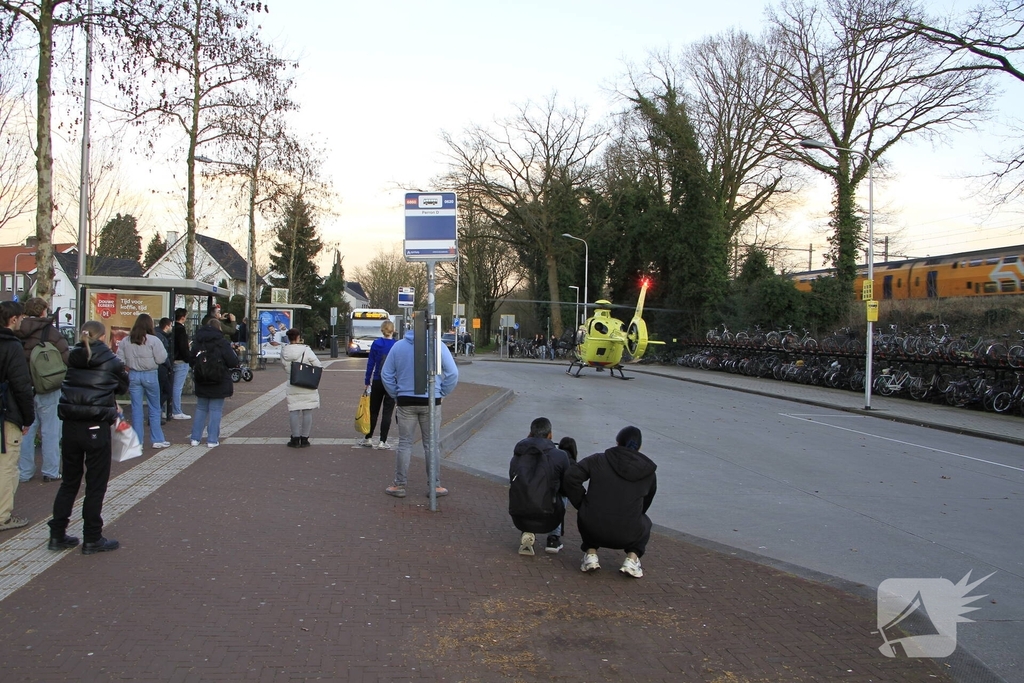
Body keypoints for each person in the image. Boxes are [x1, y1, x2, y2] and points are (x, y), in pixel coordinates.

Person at [47, 320, 128, 553]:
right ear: (102, 337)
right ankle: (92, 536)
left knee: (69, 481)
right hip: (95, 424)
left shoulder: (73, 357)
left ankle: (57, 533)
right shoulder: (111, 361)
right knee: (95, 483)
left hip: (71, 423)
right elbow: (122, 386)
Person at [564, 425, 657, 578]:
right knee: (645, 522)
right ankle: (632, 559)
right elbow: (647, 502)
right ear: (639, 446)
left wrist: (582, 503)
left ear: (617, 442)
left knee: (590, 513)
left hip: (593, 527)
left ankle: (591, 554)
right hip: (628, 532)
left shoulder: (598, 459)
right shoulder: (648, 472)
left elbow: (571, 477)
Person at [381, 326, 459, 498]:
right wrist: (442, 392)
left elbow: (386, 374)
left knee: (405, 443)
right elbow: (453, 373)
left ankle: (399, 485)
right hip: (431, 400)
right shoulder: (438, 346)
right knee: (431, 445)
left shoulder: (398, 346)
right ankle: (435, 486)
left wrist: (396, 394)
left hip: (405, 401)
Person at [16, 297, 70, 483]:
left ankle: (24, 472)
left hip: (23, 388)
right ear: (43, 312)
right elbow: (66, 357)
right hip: (48, 387)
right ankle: (51, 471)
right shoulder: (51, 332)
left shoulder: (18, 331)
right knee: (51, 431)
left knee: (26, 431)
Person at [508, 417, 571, 556]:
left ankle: (527, 532)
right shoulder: (560, 456)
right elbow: (567, 486)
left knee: (525, 486)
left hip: (519, 516)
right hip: (550, 518)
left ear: (530, 434)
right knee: (562, 492)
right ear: (550, 435)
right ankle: (553, 538)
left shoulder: (518, 453)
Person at [0, 301, 34, 532]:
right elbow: (21, 385)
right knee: (7, 465)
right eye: (21, 318)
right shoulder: (11, 346)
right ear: (13, 320)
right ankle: (2, 516)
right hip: (6, 412)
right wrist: (27, 418)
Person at [117, 313, 170, 449]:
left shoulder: (126, 340)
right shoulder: (154, 340)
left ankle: (137, 442)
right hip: (150, 374)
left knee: (136, 408)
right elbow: (161, 358)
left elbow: (120, 359)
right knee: (154, 407)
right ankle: (157, 439)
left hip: (133, 375)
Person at [189, 317, 239, 448]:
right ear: (219, 328)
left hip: (202, 378)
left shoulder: (198, 341)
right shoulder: (222, 342)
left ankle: (195, 438)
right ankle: (212, 439)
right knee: (216, 409)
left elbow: (191, 359)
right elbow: (233, 361)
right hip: (219, 379)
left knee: (201, 408)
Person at [359, 319, 397, 450]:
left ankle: (368, 438)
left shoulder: (376, 344)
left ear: (382, 330)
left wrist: (367, 381)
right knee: (387, 412)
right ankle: (382, 441)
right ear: (393, 330)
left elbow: (371, 364)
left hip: (377, 380)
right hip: (391, 382)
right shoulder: (396, 345)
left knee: (373, 411)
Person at [281, 328, 322, 448]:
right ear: (298, 337)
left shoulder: (284, 351)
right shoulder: (306, 350)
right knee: (307, 411)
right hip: (307, 383)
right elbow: (318, 365)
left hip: (292, 383)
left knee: (293, 411)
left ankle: (295, 438)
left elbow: (284, 366)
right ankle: (305, 438)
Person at [170, 308, 191, 420]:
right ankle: (176, 411)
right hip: (181, 361)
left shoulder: (173, 329)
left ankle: (168, 409)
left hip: (173, 360)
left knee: (172, 386)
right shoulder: (181, 330)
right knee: (178, 387)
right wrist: (188, 358)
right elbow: (183, 347)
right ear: (183, 317)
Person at [155, 317, 174, 424]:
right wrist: (168, 365)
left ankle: (155, 413)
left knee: (163, 391)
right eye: (170, 325)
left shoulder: (159, 335)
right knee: (166, 390)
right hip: (161, 367)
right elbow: (163, 355)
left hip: (160, 367)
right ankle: (155, 414)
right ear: (167, 326)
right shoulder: (161, 337)